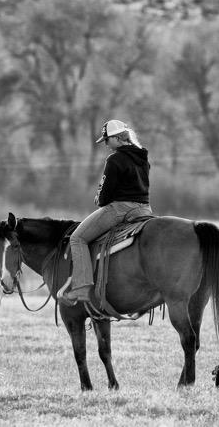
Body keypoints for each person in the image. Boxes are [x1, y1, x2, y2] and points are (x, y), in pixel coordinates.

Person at [58, 119, 152, 305]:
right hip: (144, 209)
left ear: (117, 138)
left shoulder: (114, 159)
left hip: (121, 209)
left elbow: (105, 194)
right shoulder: (144, 159)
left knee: (77, 238)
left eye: (107, 140)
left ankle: (82, 288)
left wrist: (99, 199)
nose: (106, 144)